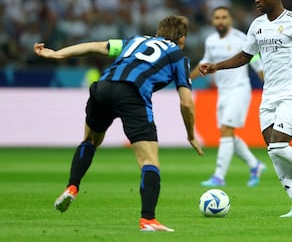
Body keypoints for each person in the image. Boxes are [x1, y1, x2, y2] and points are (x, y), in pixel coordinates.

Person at [33, 15, 204, 232]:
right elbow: (187, 103)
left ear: (157, 33)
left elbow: (96, 46)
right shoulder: (178, 56)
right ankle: (148, 220)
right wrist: (190, 135)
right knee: (149, 160)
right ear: (182, 39)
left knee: (90, 140)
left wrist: (57, 53)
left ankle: (72, 187)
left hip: (103, 87)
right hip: (132, 94)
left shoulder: (134, 41)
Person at [199, 0, 292, 218]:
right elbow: (245, 57)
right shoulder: (257, 25)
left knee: (279, 145)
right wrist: (216, 66)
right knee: (273, 150)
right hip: (269, 95)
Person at [190, 6, 266, 187]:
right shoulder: (210, 41)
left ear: (230, 19)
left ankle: (218, 176)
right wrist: (185, 78)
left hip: (239, 89)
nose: (220, 21)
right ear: (212, 21)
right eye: (217, 17)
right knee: (228, 134)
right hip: (222, 92)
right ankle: (255, 165)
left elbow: (256, 62)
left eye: (224, 17)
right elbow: (204, 64)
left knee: (226, 130)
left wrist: (268, 82)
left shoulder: (241, 39)